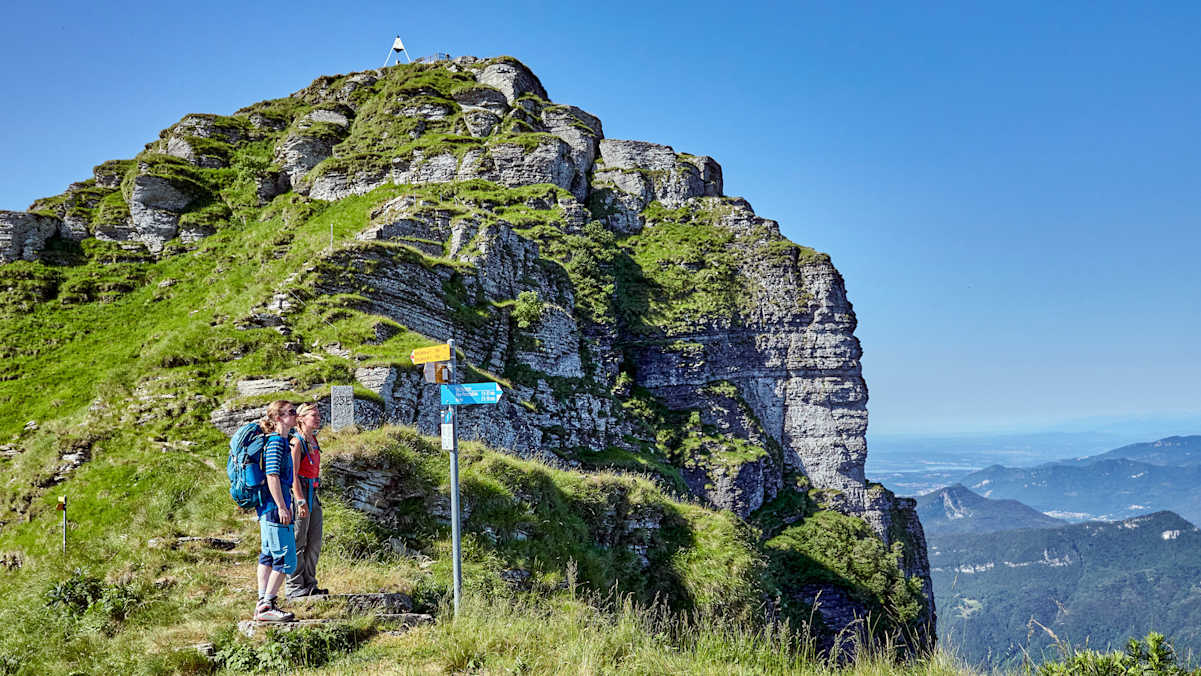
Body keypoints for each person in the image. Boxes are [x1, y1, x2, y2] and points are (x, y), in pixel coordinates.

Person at [254, 400, 299, 622]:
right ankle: (267, 605)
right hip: (274, 508)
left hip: (267, 507)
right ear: (279, 417)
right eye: (291, 411)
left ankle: (262, 602)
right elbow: (272, 475)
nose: (296, 414)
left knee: (268, 556)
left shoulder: (279, 442)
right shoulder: (276, 443)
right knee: (286, 558)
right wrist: (282, 506)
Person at [286, 402, 327, 598]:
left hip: (313, 492)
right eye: (313, 415)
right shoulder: (296, 442)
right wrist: (300, 500)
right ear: (301, 418)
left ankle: (310, 583)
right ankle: (294, 586)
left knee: (314, 541)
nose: (318, 418)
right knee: (298, 540)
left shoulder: (314, 440)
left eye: (318, 414)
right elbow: (292, 475)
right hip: (300, 494)